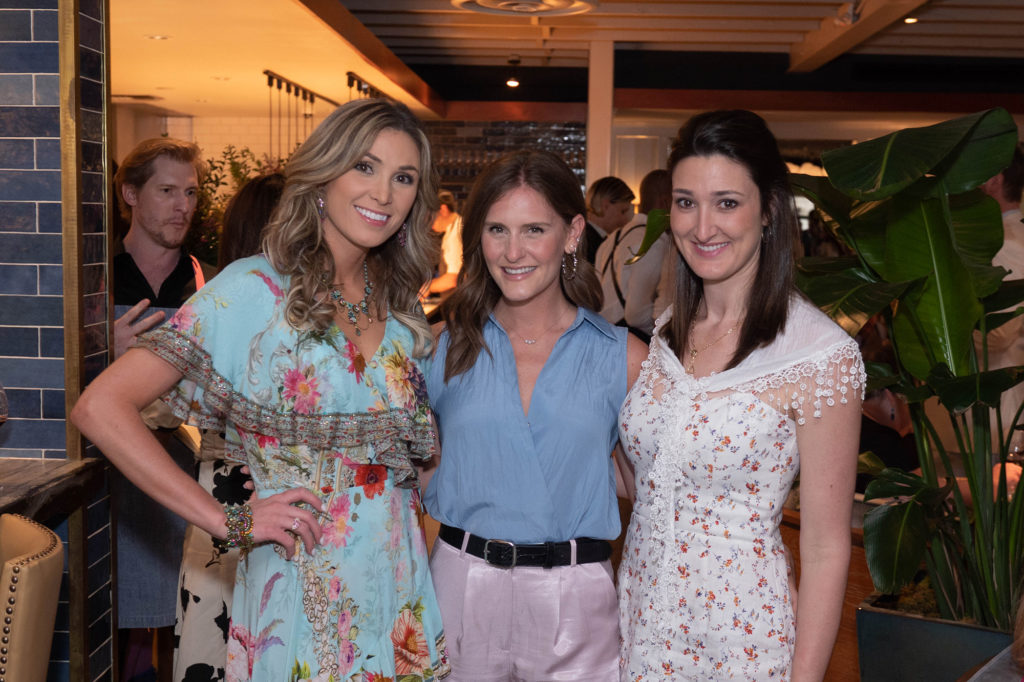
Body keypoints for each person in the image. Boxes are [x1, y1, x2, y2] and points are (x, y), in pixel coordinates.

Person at [73, 98, 451, 681]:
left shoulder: (401, 309)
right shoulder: (254, 287)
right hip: (299, 588)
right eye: (365, 167)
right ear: (324, 174)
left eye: (404, 177)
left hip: (398, 591)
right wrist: (227, 520)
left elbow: (415, 470)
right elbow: (101, 407)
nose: (383, 193)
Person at [617, 110, 864, 680]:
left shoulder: (818, 356)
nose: (702, 227)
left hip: (741, 644)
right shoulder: (667, 329)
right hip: (643, 629)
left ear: (769, 210)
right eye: (685, 202)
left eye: (727, 202)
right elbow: (648, 479)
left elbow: (827, 551)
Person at [423, 150, 647, 681]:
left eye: (534, 229)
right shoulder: (441, 347)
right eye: (497, 229)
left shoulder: (623, 356)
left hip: (576, 596)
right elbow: (412, 473)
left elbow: (648, 492)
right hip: (460, 584)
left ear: (572, 233)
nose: (513, 251)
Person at [110, 137, 214, 681]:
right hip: (112, 473)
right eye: (168, 191)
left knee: (187, 615)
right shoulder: (94, 276)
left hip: (189, 471)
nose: (183, 206)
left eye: (191, 193)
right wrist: (100, 352)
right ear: (130, 193)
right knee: (112, 619)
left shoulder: (212, 285)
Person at [173, 171, 284, 682]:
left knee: (213, 647)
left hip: (217, 494)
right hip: (253, 498)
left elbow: (170, 408)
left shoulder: (213, 303)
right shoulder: (237, 304)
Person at [596, 168, 672, 342]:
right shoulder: (652, 242)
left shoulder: (612, 238)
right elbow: (636, 316)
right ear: (666, 201)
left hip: (602, 336)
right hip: (626, 343)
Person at [582, 176, 634, 264]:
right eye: (623, 211)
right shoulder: (589, 244)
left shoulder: (586, 236)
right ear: (605, 205)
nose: (626, 220)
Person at [425, 189, 463, 296]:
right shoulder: (451, 232)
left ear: (443, 210)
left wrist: (426, 289)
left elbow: (453, 279)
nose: (430, 225)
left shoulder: (457, 233)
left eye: (430, 217)